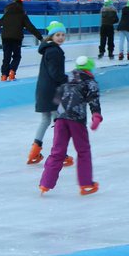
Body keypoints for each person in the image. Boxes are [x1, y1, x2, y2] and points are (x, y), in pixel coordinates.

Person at [39, 55, 102, 196]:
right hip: (76, 119)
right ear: (89, 68)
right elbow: (94, 101)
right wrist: (96, 115)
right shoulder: (90, 82)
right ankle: (86, 184)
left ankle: (45, 183)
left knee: (57, 152)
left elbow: (56, 98)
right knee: (83, 150)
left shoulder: (67, 79)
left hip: (60, 118)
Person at [28, 21, 73, 165]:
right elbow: (56, 74)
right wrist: (70, 79)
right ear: (51, 36)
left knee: (46, 120)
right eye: (57, 35)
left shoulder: (48, 49)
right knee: (59, 123)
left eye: (63, 35)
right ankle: (61, 154)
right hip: (53, 92)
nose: (60, 38)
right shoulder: (55, 51)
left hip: (43, 90)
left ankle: (34, 151)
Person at [0, 0, 44, 81]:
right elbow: (31, 27)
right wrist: (40, 38)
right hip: (17, 38)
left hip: (5, 38)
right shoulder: (22, 15)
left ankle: (4, 75)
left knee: (6, 57)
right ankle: (12, 71)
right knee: (17, 56)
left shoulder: (7, 14)